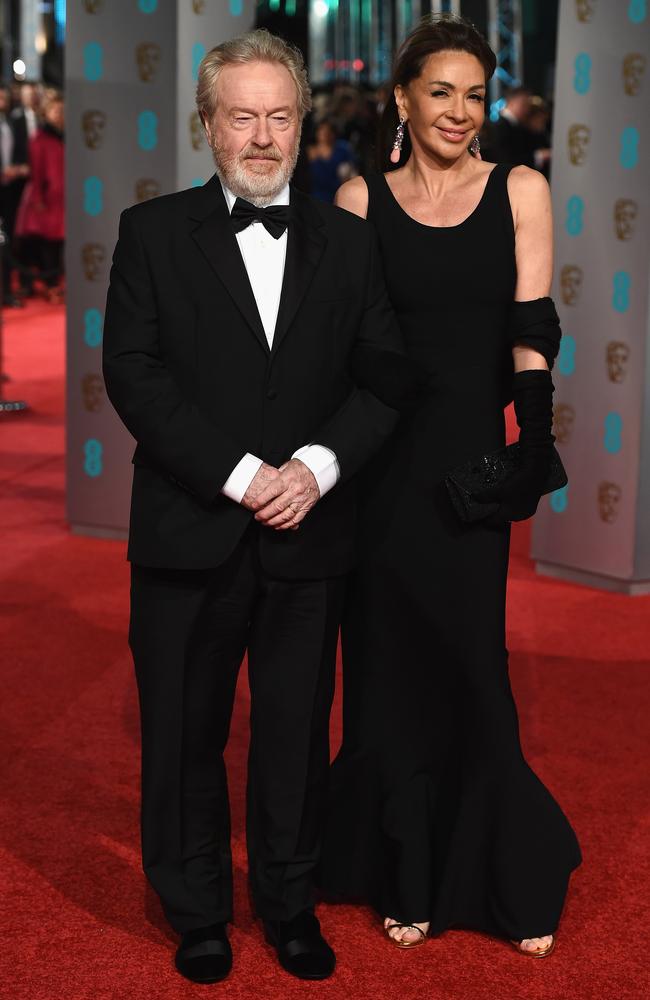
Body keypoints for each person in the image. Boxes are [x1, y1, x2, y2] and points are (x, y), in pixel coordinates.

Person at [103, 29, 405, 986]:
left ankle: (288, 901)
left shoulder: (353, 244)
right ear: (207, 125)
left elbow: (385, 380)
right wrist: (240, 474)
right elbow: (134, 378)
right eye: (244, 116)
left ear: (303, 121)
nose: (264, 135)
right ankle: (195, 909)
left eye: (280, 115)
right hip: (190, 530)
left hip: (309, 533)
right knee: (183, 735)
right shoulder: (152, 235)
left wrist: (314, 468)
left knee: (293, 736)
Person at [320, 13, 581, 959]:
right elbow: (340, 350)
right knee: (386, 669)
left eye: (476, 94)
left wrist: (532, 442)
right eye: (441, 92)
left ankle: (501, 868)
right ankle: (405, 870)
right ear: (402, 99)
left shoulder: (520, 188)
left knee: (473, 661)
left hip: (470, 467)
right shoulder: (357, 202)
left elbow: (531, 325)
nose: (461, 112)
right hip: (379, 468)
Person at [14, 90, 64, 303]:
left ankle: (54, 284)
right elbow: (37, 172)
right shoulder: (39, 139)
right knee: (43, 245)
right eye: (55, 110)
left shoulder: (67, 138)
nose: (59, 114)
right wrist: (38, 200)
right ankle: (46, 285)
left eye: (62, 111)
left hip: (63, 199)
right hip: (45, 200)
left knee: (57, 245)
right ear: (46, 112)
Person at [0, 85, 29, 307]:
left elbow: (20, 152)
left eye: (4, 97)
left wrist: (19, 168)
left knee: (7, 243)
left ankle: (7, 291)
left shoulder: (12, 122)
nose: (2, 101)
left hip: (9, 193)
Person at [483, 85, 536, 168]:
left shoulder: (515, 125)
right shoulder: (500, 127)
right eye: (524, 104)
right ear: (511, 102)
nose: (527, 110)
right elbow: (504, 159)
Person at [307, 118, 357, 202]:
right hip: (316, 199)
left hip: (339, 195)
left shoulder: (343, 149)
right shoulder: (310, 152)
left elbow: (351, 173)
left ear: (333, 133)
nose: (324, 134)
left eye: (328, 131)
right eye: (321, 131)